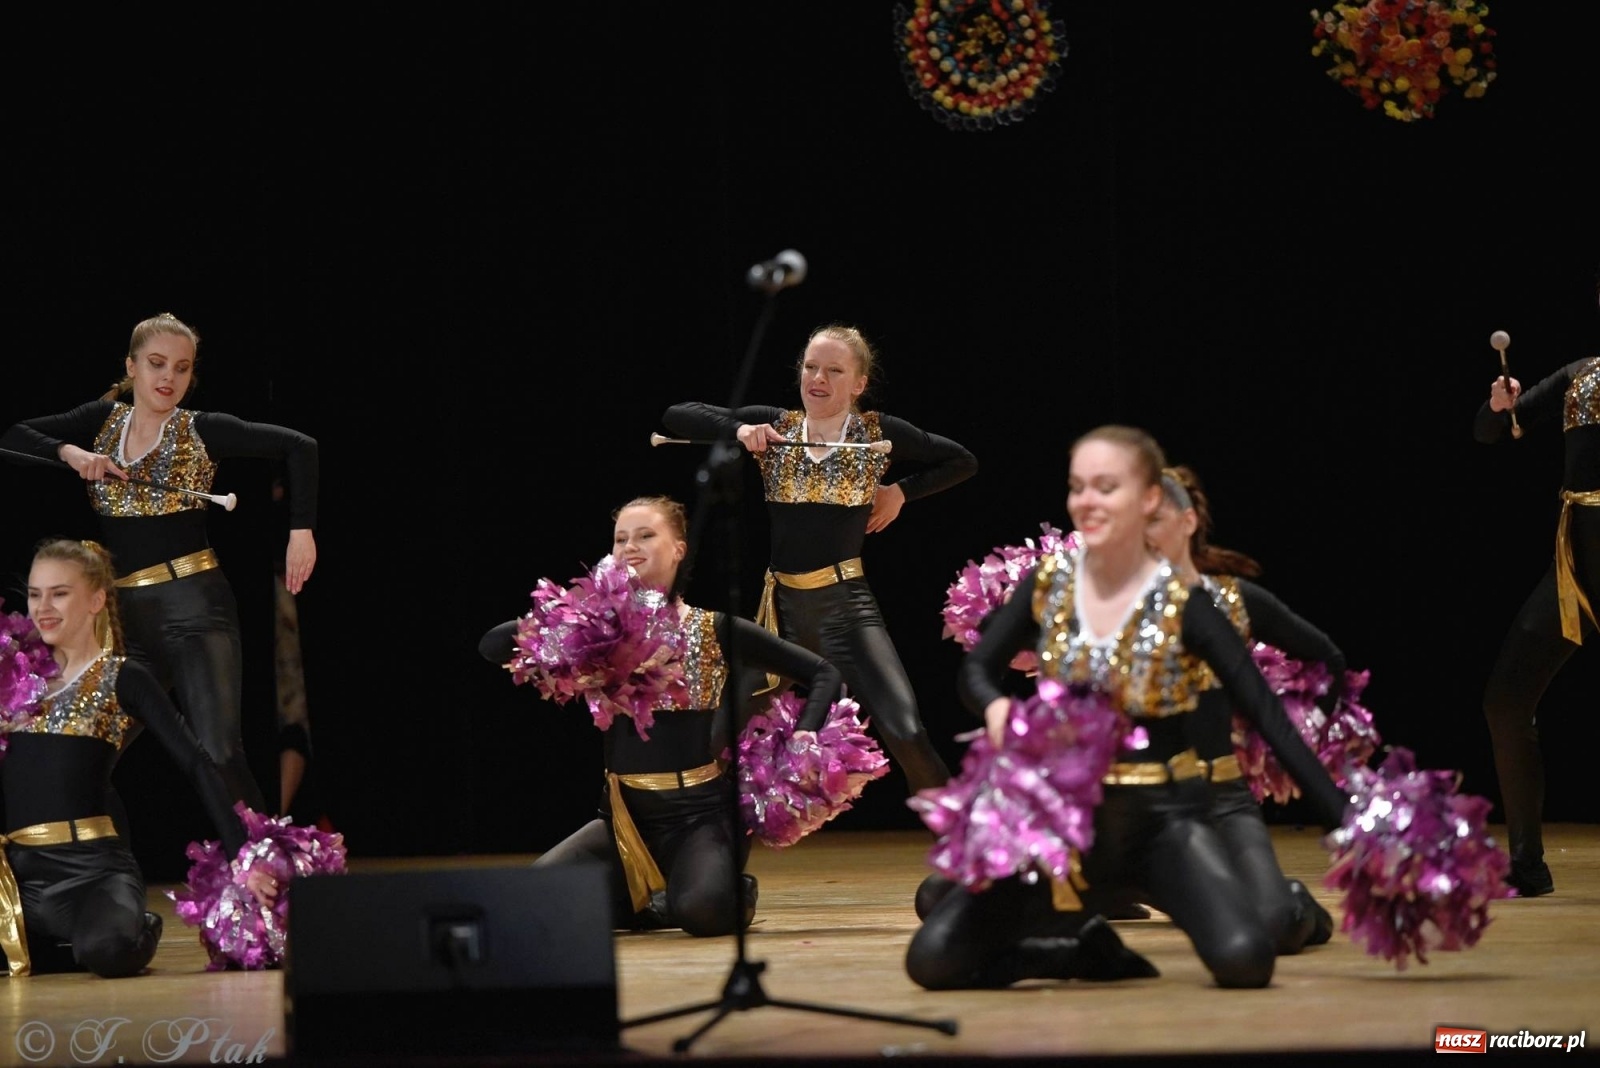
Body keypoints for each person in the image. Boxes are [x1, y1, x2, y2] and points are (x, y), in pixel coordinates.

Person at [904, 425, 1351, 991]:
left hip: (1163, 828)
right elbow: (976, 670)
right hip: (1067, 829)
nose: (1087, 501)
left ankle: (1227, 902)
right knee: (931, 959)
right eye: (1078, 487)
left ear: (1147, 501)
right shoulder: (1048, 587)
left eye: (1106, 486)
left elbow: (1268, 716)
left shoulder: (1189, 605)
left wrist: (1354, 826)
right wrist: (994, 706)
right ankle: (1072, 953)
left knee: (1246, 961)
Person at [479, 495, 847, 937]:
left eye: (645, 535)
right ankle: (654, 902)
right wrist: (571, 615)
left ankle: (729, 890)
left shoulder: (712, 628)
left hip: (701, 816)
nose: (629, 546)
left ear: (678, 548)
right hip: (625, 816)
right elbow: (493, 646)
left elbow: (823, 672)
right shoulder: (594, 634)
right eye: (620, 539)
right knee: (536, 897)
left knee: (703, 914)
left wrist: (804, 738)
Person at [1, 312, 319, 814]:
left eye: (182, 368)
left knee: (218, 753)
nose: (169, 378)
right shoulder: (100, 422)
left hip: (195, 609)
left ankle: (272, 880)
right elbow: (12, 436)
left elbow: (299, 446)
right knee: (84, 758)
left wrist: (300, 530)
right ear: (131, 367)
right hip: (127, 624)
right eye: (156, 364)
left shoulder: (203, 430)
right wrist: (70, 453)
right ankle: (108, 884)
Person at [661, 323, 978, 796]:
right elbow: (676, 415)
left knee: (907, 733)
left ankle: (964, 851)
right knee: (716, 738)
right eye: (811, 367)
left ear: (858, 384)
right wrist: (740, 428)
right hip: (780, 615)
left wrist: (900, 493)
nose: (819, 378)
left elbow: (962, 460)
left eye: (834, 370)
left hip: (847, 611)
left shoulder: (876, 435)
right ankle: (704, 855)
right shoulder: (777, 427)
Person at [1, 538, 274, 978]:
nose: (43, 607)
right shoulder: (14, 676)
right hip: (18, 879)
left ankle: (130, 927)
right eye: (35, 594)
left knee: (109, 951)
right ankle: (48, 951)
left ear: (96, 600)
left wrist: (243, 859)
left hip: (91, 875)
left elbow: (197, 764)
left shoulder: (123, 677)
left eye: (59, 593)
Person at [1144, 464, 1340, 953]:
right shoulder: (1108, 608)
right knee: (946, 897)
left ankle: (1297, 906)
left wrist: (1300, 733)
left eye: (1154, 519)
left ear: (1187, 522)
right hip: (1140, 805)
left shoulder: (1233, 601)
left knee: (1275, 925)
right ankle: (1149, 889)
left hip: (1221, 799)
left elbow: (1327, 658)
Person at [1473, 293, 1600, 898]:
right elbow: (1494, 431)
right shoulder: (1582, 374)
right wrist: (1501, 406)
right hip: (1578, 569)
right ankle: (1526, 863)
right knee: (1505, 702)